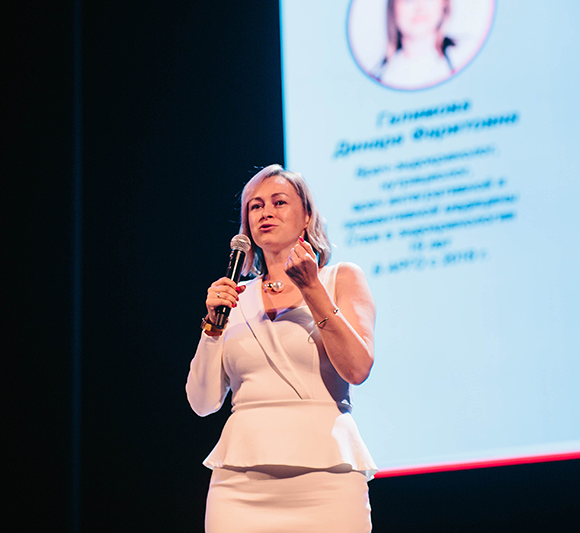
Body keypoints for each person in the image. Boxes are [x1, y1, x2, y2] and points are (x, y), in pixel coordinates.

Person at [186, 165, 377, 532]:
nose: (266, 212)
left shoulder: (340, 279)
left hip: (327, 478)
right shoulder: (234, 297)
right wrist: (212, 328)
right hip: (240, 485)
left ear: (306, 216)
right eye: (255, 206)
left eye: (279, 202)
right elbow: (202, 402)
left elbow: (357, 368)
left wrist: (312, 289)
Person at [371, 0, 457, 89]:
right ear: (393, 7)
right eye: (408, 0)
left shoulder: (462, 56)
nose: (419, 7)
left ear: (444, 3)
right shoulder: (377, 79)